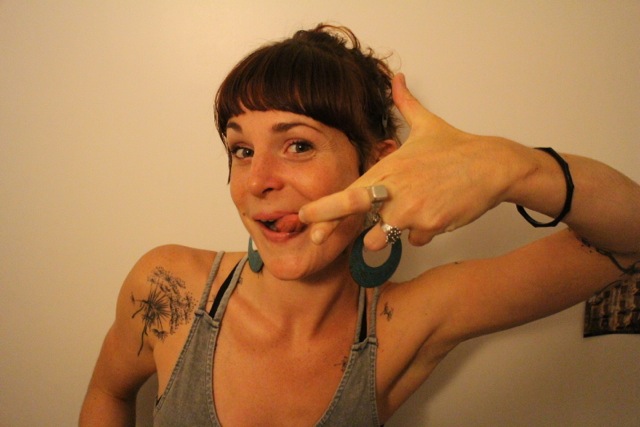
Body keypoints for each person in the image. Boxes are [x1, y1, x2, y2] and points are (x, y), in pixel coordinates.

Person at [79, 24, 640, 426]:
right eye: (241, 150)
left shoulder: (406, 325)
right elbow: (108, 392)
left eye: (298, 145)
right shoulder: (167, 286)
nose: (257, 181)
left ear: (378, 166)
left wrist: (512, 167)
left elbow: (629, 239)